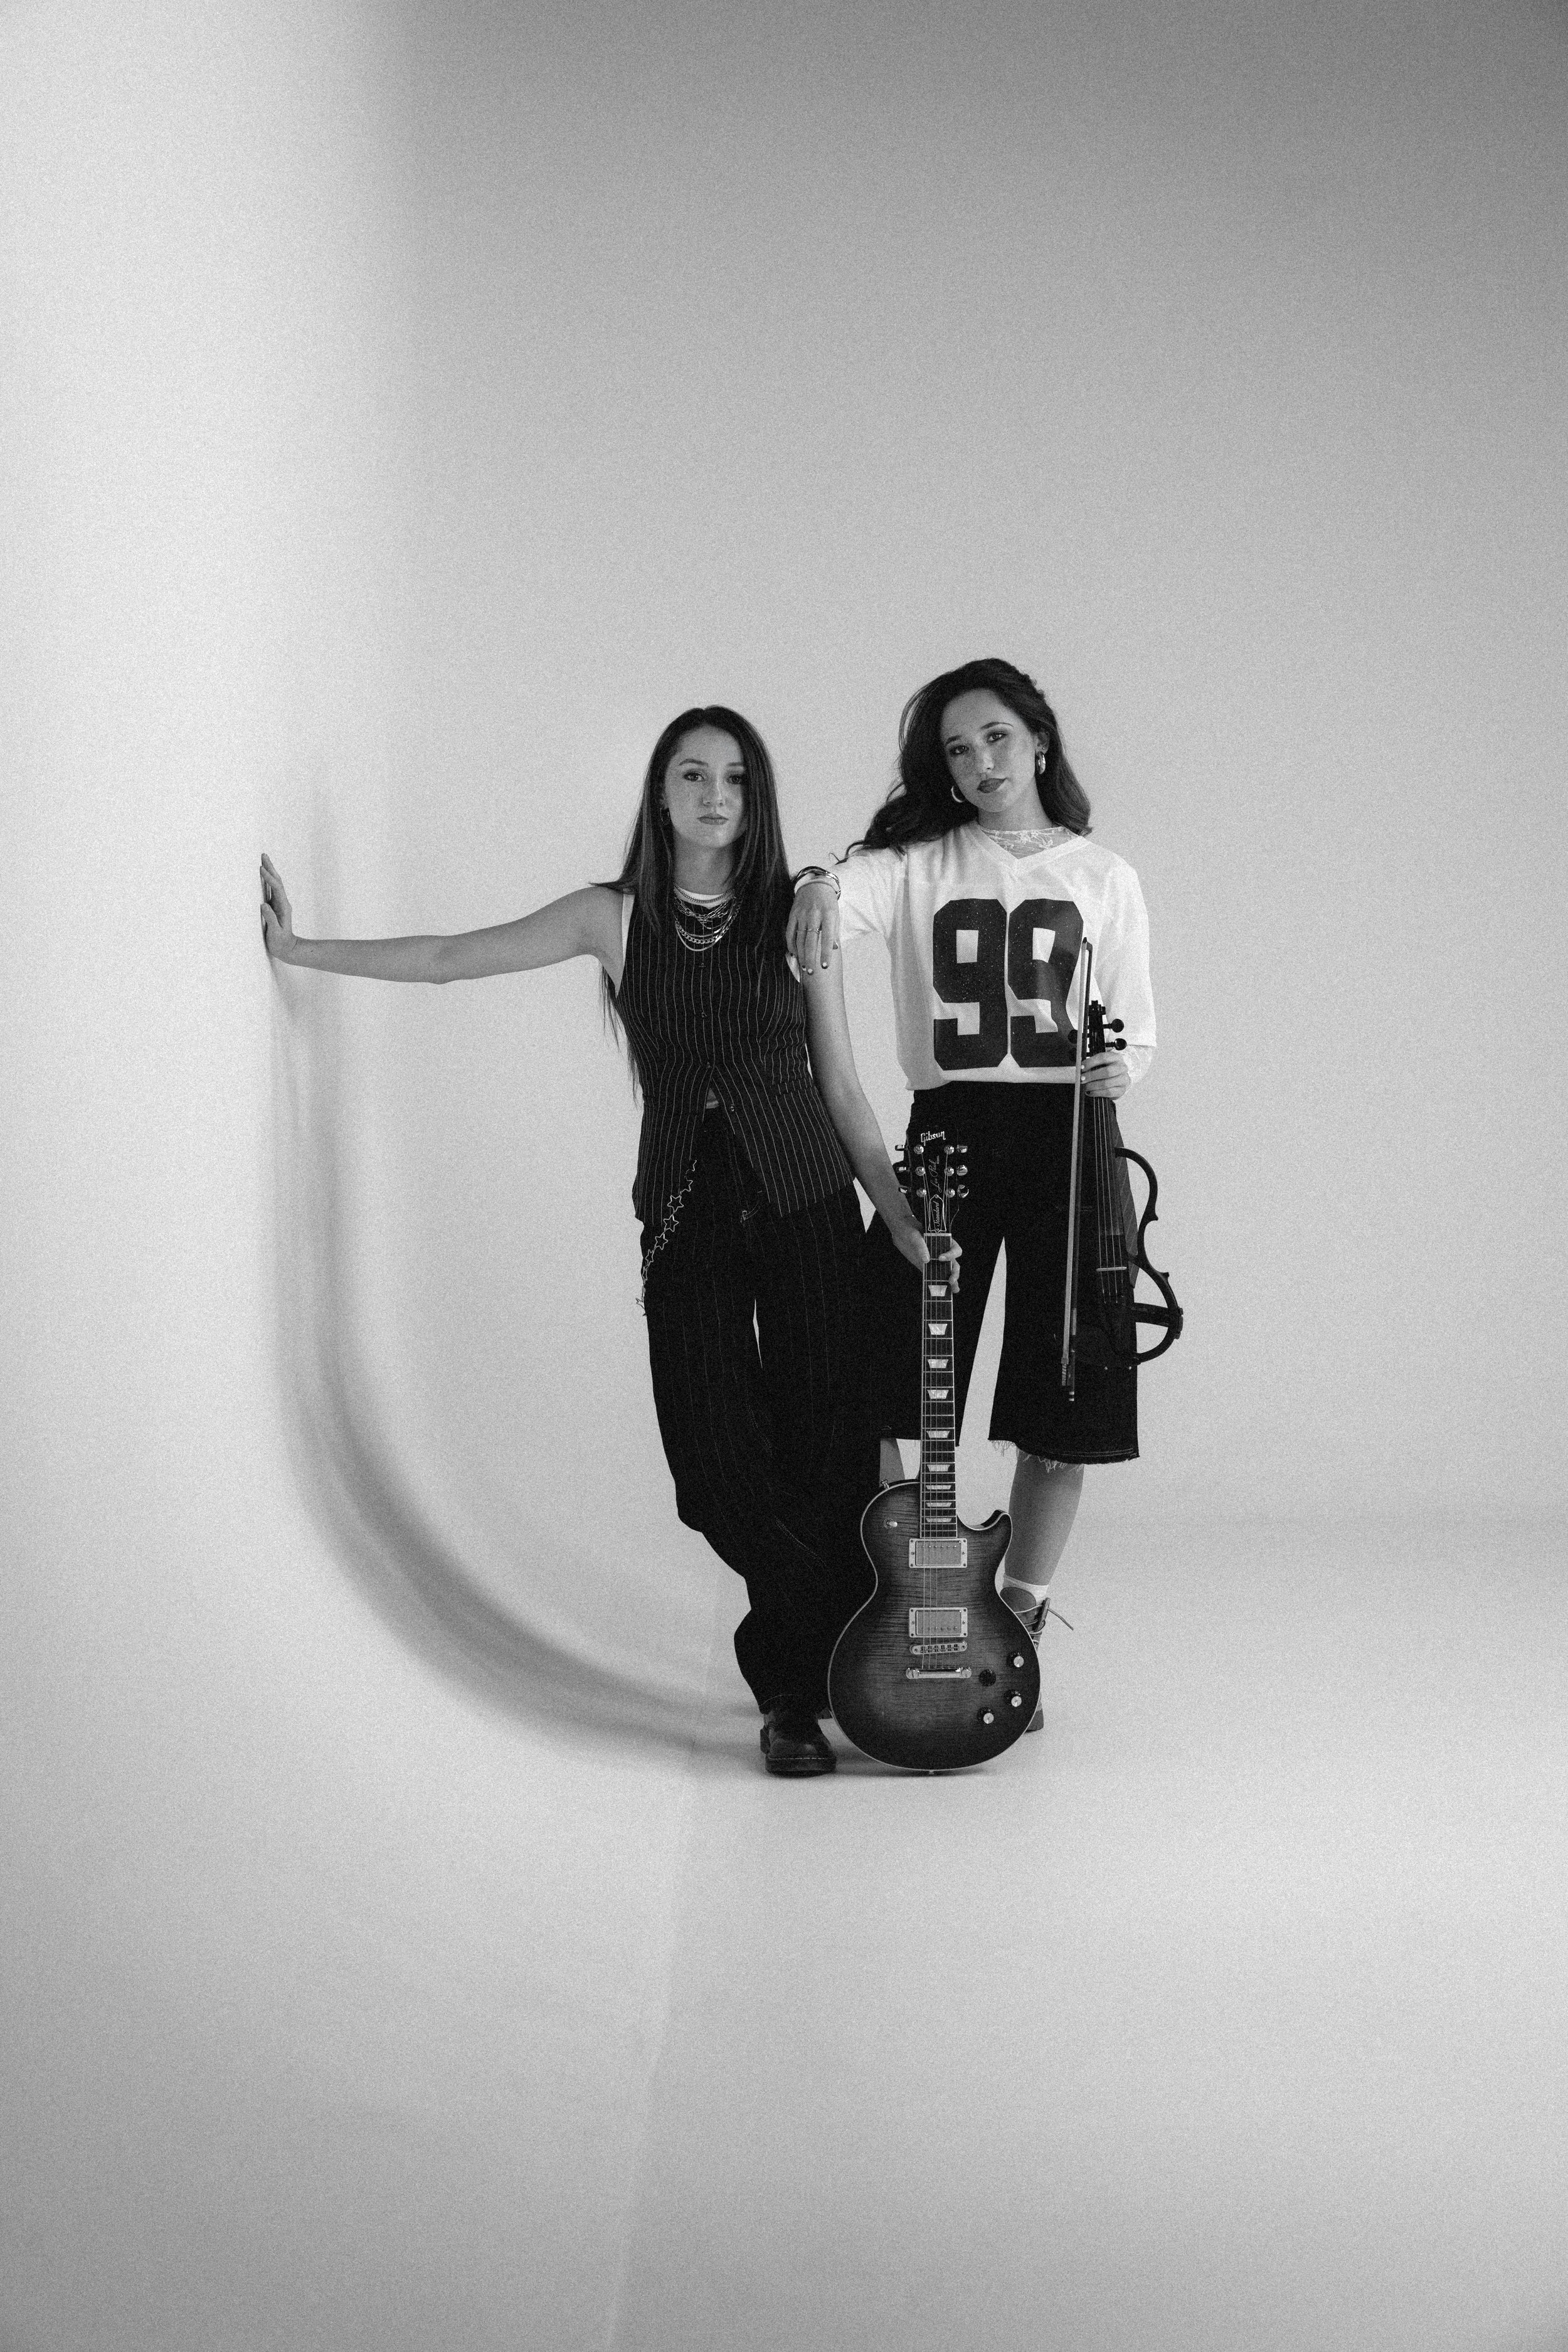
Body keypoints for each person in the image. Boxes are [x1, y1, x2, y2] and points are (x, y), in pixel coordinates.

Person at [260, 707, 927, 1777]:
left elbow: (842, 1083)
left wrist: (895, 1214)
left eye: (736, 779)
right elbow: (449, 958)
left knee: (826, 1444)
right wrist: (300, 950)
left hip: (808, 1199)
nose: (716, 796)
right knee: (713, 1463)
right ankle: (852, 1621)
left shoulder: (797, 916)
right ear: (660, 793)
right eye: (693, 775)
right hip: (685, 1205)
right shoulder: (610, 918)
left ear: (756, 799)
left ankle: (794, 1696)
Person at [787, 657, 1156, 1726]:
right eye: (958, 749)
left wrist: (1119, 1066)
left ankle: (1016, 1622)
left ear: (1038, 737)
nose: (981, 762)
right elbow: (834, 899)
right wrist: (815, 879)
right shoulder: (915, 864)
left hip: (1072, 1138)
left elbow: (1135, 1029)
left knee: (1066, 1402)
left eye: (996, 737)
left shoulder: (1105, 876)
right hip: (949, 1134)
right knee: (877, 1373)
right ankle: (898, 1595)